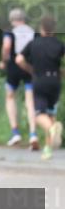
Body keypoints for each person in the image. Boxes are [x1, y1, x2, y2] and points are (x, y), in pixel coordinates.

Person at [16, 16, 64, 160]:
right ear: (54, 29)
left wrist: (30, 69)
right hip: (55, 82)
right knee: (50, 114)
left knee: (38, 115)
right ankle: (48, 149)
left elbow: (19, 59)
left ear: (41, 29)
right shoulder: (59, 44)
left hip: (40, 80)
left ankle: (52, 128)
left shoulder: (33, 43)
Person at [1, 8, 38, 148]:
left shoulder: (9, 31)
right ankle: (33, 133)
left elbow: (6, 46)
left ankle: (15, 132)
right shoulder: (32, 31)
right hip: (29, 66)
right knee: (30, 101)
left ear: (12, 20)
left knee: (10, 97)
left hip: (14, 66)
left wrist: (4, 60)